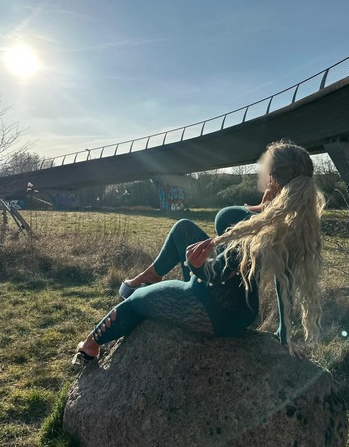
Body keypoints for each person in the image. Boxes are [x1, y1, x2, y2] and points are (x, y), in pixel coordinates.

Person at [72, 139, 326, 366]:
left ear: (273, 178)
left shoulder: (256, 229)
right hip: (239, 308)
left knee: (136, 301)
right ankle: (151, 276)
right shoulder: (278, 219)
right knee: (184, 228)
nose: (260, 167)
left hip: (214, 309)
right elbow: (286, 277)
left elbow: (217, 274)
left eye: (265, 164)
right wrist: (284, 332)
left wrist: (196, 266)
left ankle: (90, 346)